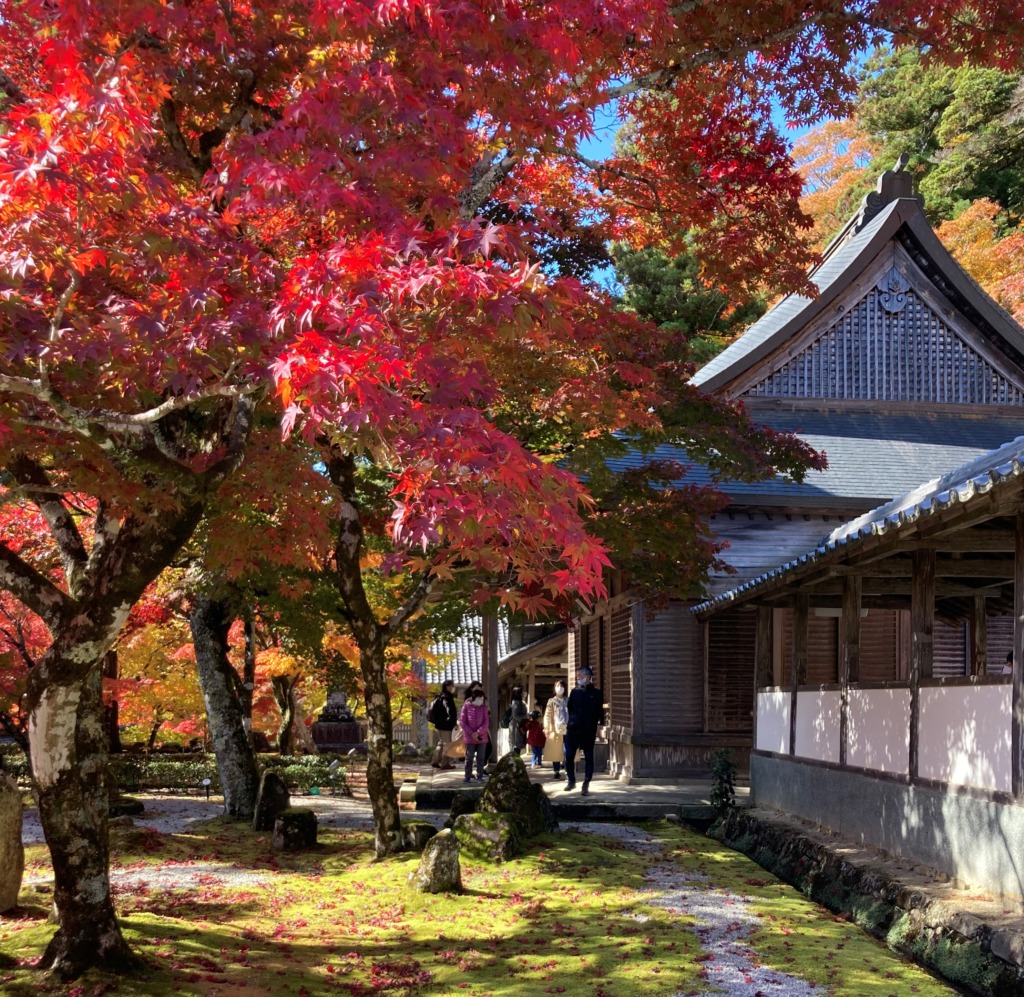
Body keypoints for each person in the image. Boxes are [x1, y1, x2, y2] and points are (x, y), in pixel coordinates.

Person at [564, 664, 604, 795]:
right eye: (577, 676)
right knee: (569, 756)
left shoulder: (597, 693)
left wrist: (594, 722)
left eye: (581, 676)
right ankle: (571, 780)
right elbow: (570, 708)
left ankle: (586, 783)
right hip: (573, 729)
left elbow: (599, 712)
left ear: (588, 677)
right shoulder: (574, 692)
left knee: (588, 757)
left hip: (588, 730)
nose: (578, 678)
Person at [459, 687, 490, 783]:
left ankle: (480, 776)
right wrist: (471, 733)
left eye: (482, 699)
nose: (481, 700)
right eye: (479, 698)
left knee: (481, 758)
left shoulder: (483, 707)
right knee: (469, 757)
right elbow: (462, 722)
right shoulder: (466, 706)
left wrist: (478, 732)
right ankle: (467, 776)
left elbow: (486, 722)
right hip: (469, 737)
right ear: (474, 698)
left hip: (482, 736)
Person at [428, 680, 458, 769]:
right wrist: (453, 722)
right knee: (448, 744)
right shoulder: (447, 697)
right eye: (452, 686)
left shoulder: (440, 696)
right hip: (446, 724)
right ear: (447, 686)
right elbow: (449, 710)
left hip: (440, 724)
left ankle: (435, 761)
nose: (453, 687)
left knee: (441, 743)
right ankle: (445, 763)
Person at [542, 680, 568, 779]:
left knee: (567, 751)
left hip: (567, 728)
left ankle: (567, 770)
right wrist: (547, 727)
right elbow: (547, 715)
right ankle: (556, 771)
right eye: (557, 686)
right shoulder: (551, 701)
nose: (559, 688)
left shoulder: (568, 700)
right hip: (555, 729)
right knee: (555, 751)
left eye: (561, 686)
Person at [507, 685, 528, 756]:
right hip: (516, 725)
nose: (524, 693)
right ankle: (515, 761)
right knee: (516, 744)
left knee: (518, 743)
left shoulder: (520, 702)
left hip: (519, 725)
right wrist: (525, 716)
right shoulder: (516, 702)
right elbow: (515, 715)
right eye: (522, 691)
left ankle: (516, 760)